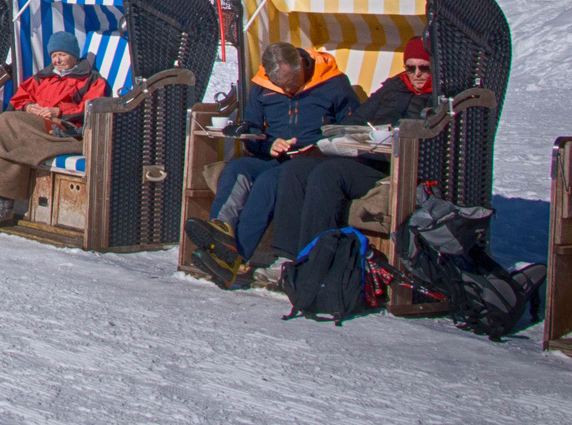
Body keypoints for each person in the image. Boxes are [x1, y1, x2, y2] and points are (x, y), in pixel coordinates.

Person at [186, 42, 359, 289]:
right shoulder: (262, 87)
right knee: (237, 169)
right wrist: (269, 144)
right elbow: (253, 131)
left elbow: (353, 129)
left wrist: (321, 147)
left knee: (269, 182)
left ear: (302, 67)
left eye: (291, 82)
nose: (288, 89)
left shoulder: (333, 83)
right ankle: (219, 236)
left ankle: (235, 258)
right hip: (273, 157)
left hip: (313, 162)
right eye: (281, 86)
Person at [264, 36, 436, 282]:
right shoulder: (394, 87)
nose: (417, 74)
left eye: (424, 68)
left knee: (328, 174)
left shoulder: (438, 99)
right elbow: (355, 119)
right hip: (367, 158)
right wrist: (352, 134)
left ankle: (314, 263)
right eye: (411, 67)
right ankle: (285, 257)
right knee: (296, 169)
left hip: (397, 168)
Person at [0, 31, 111, 228]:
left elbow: (93, 107)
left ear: (74, 55)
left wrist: (59, 110)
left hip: (65, 131)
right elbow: (19, 98)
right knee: (17, 146)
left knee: (8, 120)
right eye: (53, 56)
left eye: (62, 54)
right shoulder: (43, 77)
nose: (57, 60)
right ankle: (3, 208)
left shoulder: (91, 79)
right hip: (33, 128)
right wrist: (27, 107)